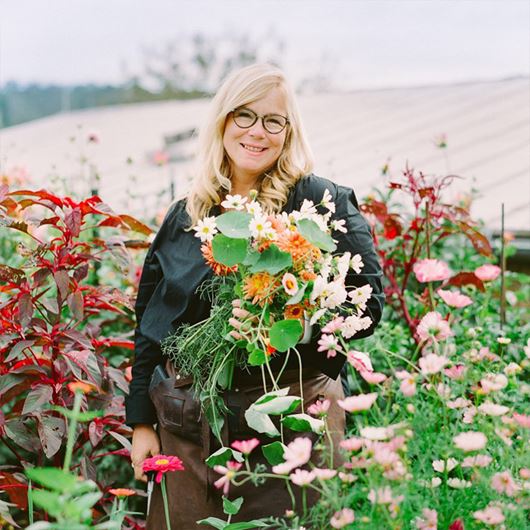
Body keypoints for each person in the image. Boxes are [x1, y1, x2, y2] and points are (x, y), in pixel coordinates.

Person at [126, 63, 384, 528]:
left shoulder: (319, 204)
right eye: (244, 116)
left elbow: (368, 304)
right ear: (222, 122)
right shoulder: (187, 215)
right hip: (189, 430)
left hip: (294, 427)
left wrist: (295, 321)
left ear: (289, 131)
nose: (257, 132)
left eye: (273, 120)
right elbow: (150, 325)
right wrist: (142, 423)